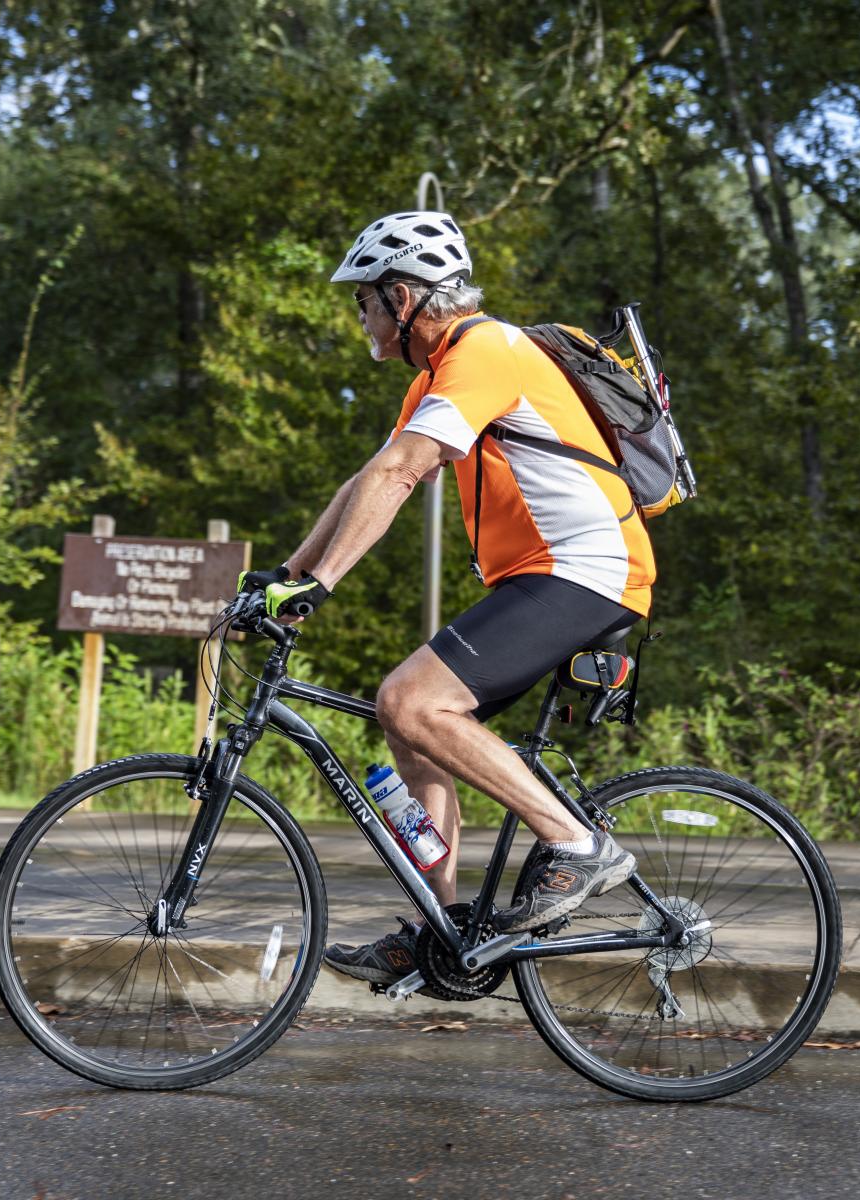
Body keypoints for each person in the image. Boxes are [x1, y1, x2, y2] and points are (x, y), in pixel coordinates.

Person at [251, 210, 657, 987]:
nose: (359, 316)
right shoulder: (434, 376)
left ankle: (576, 844)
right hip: (543, 575)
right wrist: (282, 574)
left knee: (411, 700)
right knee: (411, 724)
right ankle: (438, 935)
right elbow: (368, 479)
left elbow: (405, 471)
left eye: (364, 300)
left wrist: (318, 587)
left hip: (587, 568)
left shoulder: (487, 349)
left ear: (403, 297)